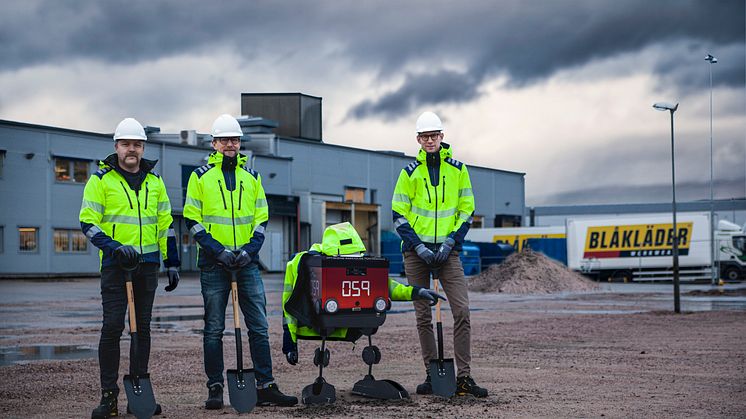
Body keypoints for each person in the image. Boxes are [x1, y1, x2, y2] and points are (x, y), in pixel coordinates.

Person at [184, 114, 297, 409]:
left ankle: (266, 385)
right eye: (224, 140)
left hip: (246, 264)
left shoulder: (253, 178)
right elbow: (192, 220)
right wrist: (217, 251)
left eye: (234, 140)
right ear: (214, 144)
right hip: (213, 264)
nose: (230, 145)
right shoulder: (200, 178)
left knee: (259, 326)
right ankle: (216, 387)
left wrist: (249, 251)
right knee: (213, 329)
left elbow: (261, 220)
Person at [80, 117, 181, 418]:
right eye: (126, 144)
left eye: (137, 144)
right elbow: (88, 223)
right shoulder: (100, 180)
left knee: (143, 330)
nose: (132, 149)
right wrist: (114, 247)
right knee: (113, 327)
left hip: (147, 266)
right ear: (117, 147)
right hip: (115, 266)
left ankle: (140, 390)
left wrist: (172, 262)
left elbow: (166, 225)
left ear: (143, 147)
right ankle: (108, 397)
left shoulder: (155, 182)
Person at [391, 111, 487, 397]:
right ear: (418, 140)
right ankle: (433, 375)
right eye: (425, 136)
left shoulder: (458, 170)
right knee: (422, 316)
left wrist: (449, 243)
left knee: (462, 312)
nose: (430, 140)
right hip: (415, 253)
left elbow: (466, 210)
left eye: (434, 135)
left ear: (442, 137)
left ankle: (464, 378)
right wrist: (418, 246)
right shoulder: (409, 173)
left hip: (449, 252)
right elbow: (398, 212)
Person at [281, 222, 445, 363]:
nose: (352, 263)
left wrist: (418, 292)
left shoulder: (363, 265)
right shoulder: (306, 266)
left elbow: (385, 286)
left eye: (356, 258)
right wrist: (290, 341)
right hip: (321, 325)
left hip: (352, 325)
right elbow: (289, 304)